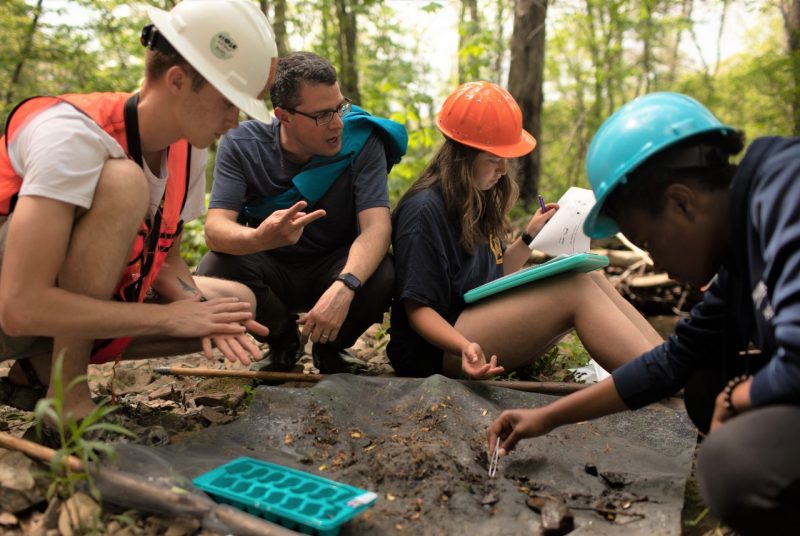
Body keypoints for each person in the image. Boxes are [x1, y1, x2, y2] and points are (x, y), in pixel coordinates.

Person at [487, 92, 800, 535]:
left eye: (648, 242)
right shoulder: (741, 250)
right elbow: (673, 361)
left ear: (681, 203)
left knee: (733, 465)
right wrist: (548, 417)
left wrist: (737, 399)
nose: (653, 262)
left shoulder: (787, 192)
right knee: (703, 383)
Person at [0, 0, 279, 425]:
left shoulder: (187, 146)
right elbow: (19, 306)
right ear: (179, 80)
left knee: (234, 304)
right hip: (16, 305)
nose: (234, 121)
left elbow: (164, 258)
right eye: (227, 103)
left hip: (61, 304)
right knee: (125, 182)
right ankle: (67, 396)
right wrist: (167, 317)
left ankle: (38, 371)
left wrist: (197, 308)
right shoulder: (71, 135)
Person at [387, 81, 662, 380]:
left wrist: (530, 238)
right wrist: (465, 347)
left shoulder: (473, 197)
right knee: (575, 289)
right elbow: (418, 311)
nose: (503, 170)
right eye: (494, 160)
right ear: (461, 156)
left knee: (590, 276)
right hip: (436, 348)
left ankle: (670, 361)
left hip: (470, 322)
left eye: (507, 159)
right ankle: (659, 376)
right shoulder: (423, 211)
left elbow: (494, 278)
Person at [196, 52, 406, 374]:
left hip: (334, 264)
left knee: (383, 273)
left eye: (339, 108)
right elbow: (216, 230)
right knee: (215, 267)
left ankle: (330, 349)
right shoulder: (242, 145)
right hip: (271, 267)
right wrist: (259, 238)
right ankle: (283, 340)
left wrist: (345, 285)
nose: (337, 124)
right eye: (322, 115)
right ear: (284, 116)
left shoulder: (362, 140)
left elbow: (376, 228)